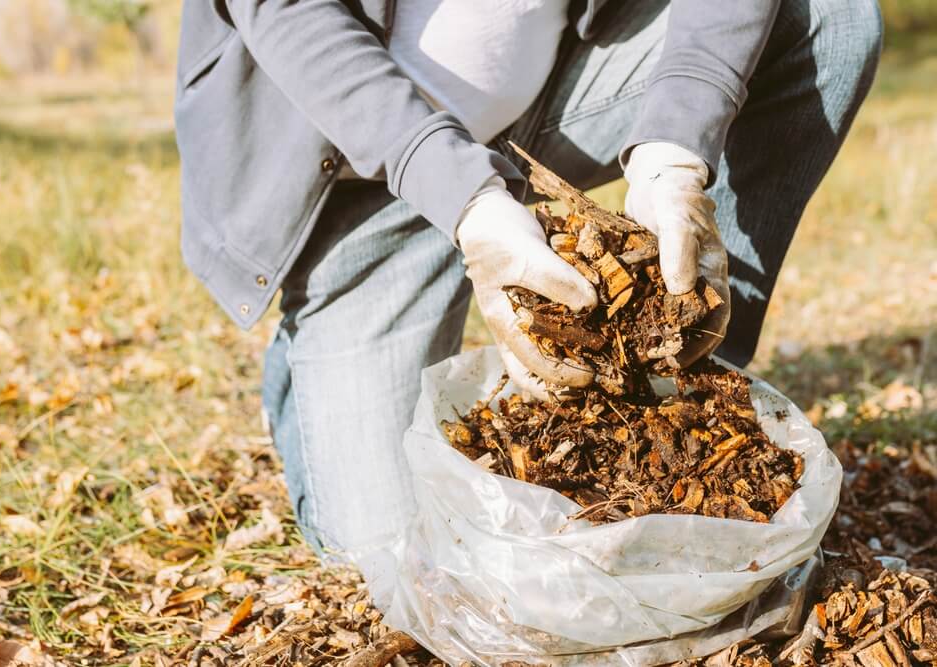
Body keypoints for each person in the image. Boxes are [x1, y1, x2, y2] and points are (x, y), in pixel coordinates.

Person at [174, 0, 881, 560]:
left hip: (538, 112)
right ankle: (302, 361)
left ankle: (684, 382)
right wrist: (469, 202)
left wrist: (675, 148)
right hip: (357, 184)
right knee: (387, 557)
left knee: (827, 14)